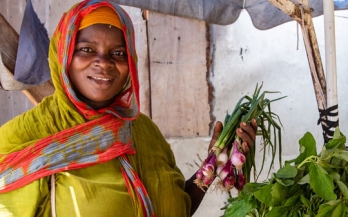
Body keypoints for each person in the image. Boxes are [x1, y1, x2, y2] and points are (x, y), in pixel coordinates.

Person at [0, 1, 257, 216]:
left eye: (119, 53)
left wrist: (214, 161)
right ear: (64, 56)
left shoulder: (143, 132)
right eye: (87, 49)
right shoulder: (26, 140)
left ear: (131, 62)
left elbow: (173, 210)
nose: (104, 63)